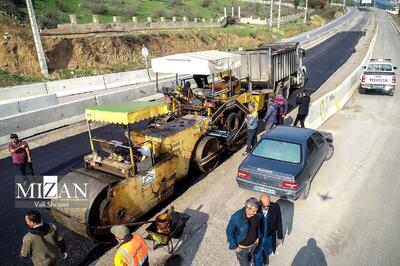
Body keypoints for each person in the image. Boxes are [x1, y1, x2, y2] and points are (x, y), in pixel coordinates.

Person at [226, 197, 260, 266]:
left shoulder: (256, 214)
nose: (255, 212)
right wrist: (235, 246)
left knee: (252, 259)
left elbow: (258, 227)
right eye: (253, 211)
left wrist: (258, 237)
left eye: (256, 210)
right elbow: (229, 231)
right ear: (247, 208)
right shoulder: (237, 217)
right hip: (242, 249)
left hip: (253, 245)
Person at [254, 194, 284, 266]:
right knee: (257, 255)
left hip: (270, 235)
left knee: (268, 250)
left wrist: (280, 236)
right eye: (264, 206)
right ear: (260, 203)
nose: (267, 208)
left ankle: (265, 257)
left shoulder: (275, 207)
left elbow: (279, 221)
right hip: (259, 237)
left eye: (268, 205)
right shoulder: (255, 209)